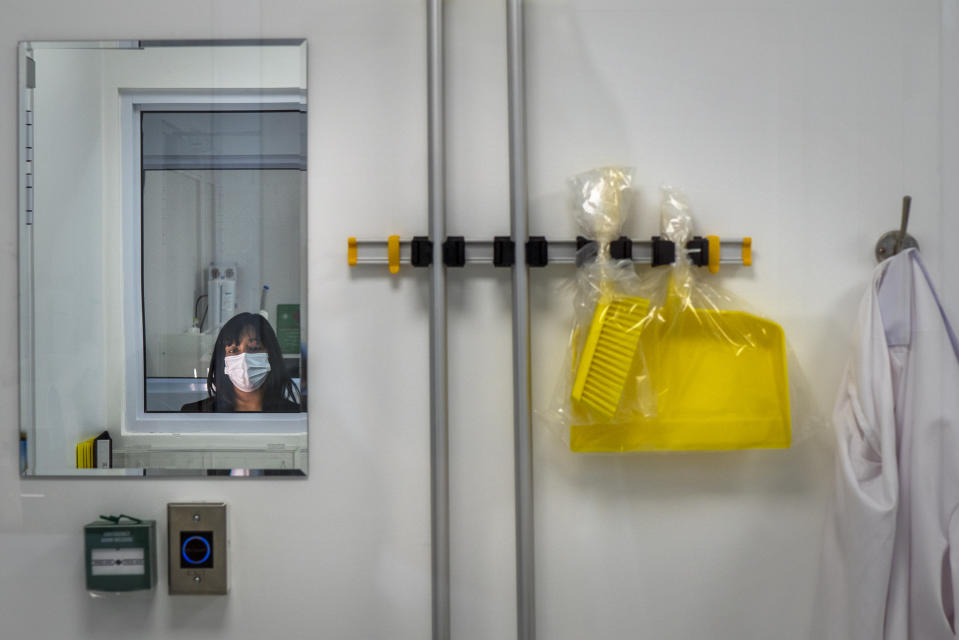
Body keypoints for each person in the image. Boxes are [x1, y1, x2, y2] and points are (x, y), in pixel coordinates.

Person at [181, 312, 301, 412]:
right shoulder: (195, 414)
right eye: (233, 350)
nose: (244, 359)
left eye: (254, 348)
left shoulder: (294, 415)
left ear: (271, 356)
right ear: (223, 362)